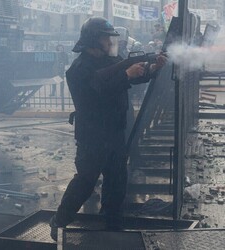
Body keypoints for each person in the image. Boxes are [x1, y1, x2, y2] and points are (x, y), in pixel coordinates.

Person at [49, 17, 167, 241]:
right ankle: (59, 221)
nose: (110, 41)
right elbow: (97, 91)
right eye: (105, 37)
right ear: (94, 39)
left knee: (117, 182)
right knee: (85, 181)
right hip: (93, 136)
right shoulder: (79, 68)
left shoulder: (109, 61)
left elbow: (134, 77)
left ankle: (112, 227)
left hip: (114, 132)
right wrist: (126, 74)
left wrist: (153, 69)